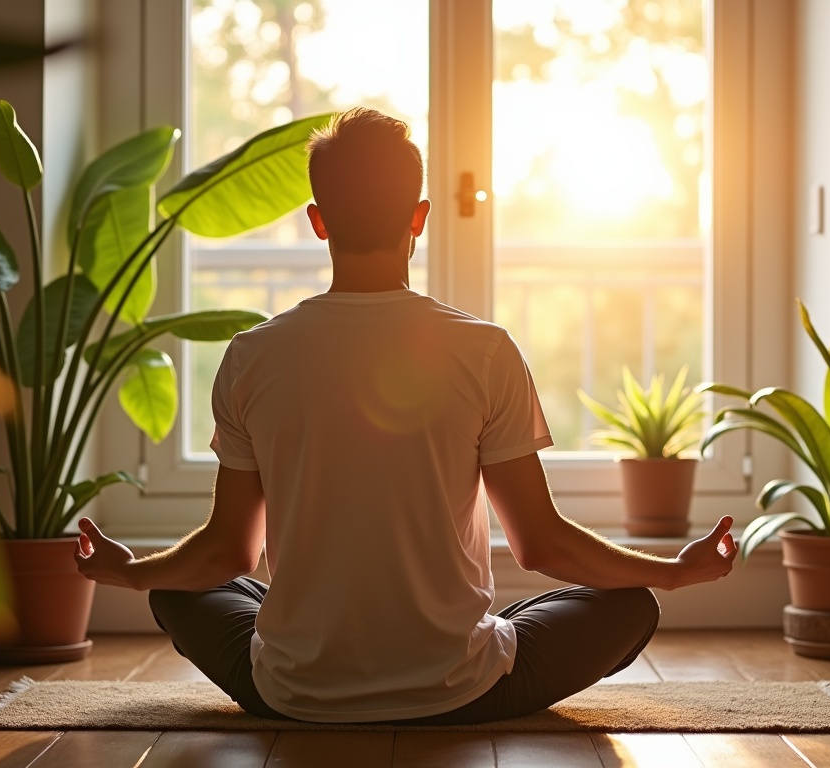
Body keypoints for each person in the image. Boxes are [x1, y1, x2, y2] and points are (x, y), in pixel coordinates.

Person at [74, 107, 737, 725]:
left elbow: (227, 552)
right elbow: (542, 545)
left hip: (292, 696)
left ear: (318, 220)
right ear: (418, 218)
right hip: (460, 693)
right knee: (629, 605)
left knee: (173, 589)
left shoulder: (252, 356)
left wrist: (128, 571)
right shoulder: (485, 350)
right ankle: (455, 655)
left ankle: (314, 661)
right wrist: (674, 571)